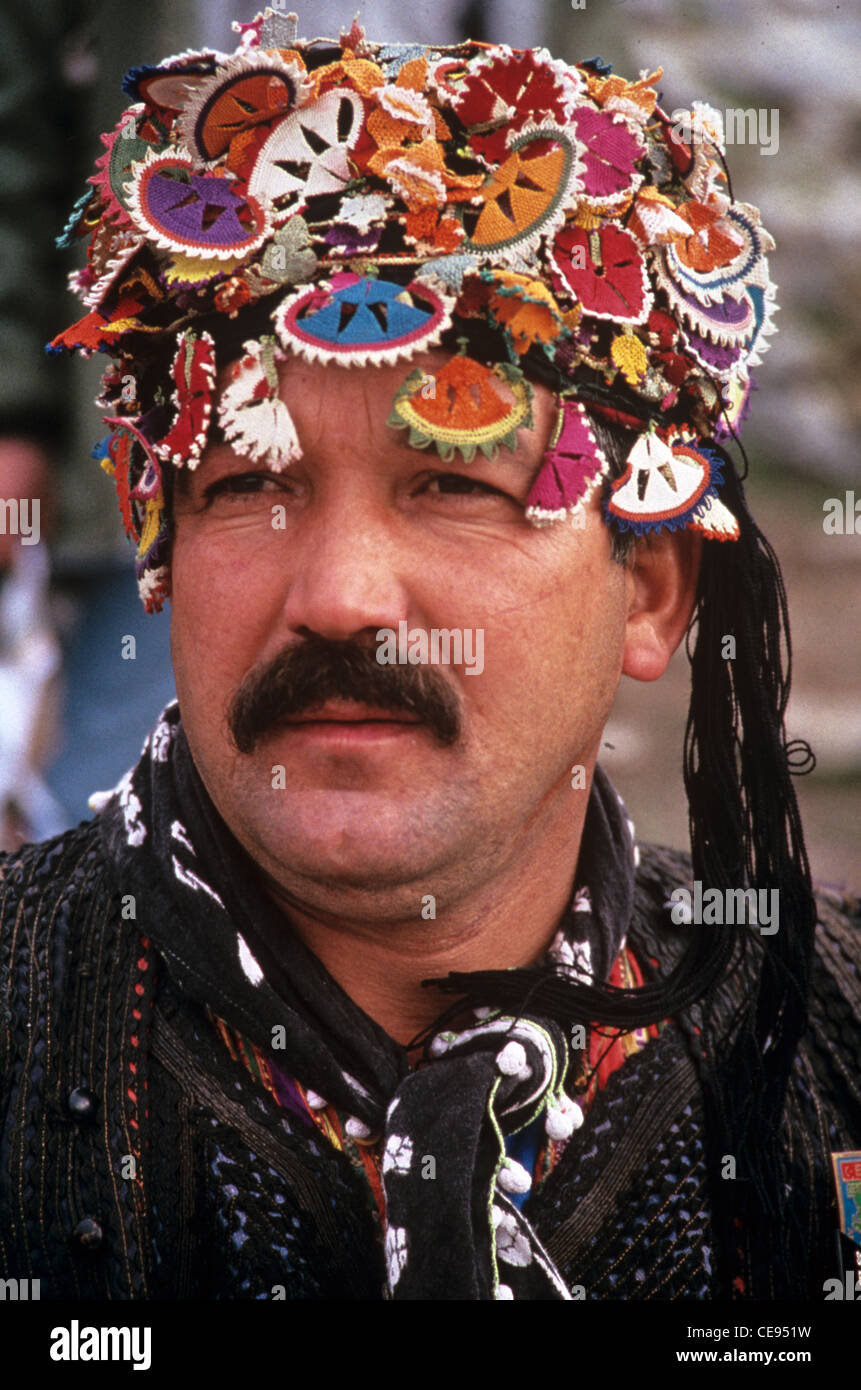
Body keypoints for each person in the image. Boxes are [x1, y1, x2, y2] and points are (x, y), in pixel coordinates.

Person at [1, 7, 859, 1303]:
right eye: (250, 484)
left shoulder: (828, 1051)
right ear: (160, 557)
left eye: (454, 484)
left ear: (653, 594)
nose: (341, 597)